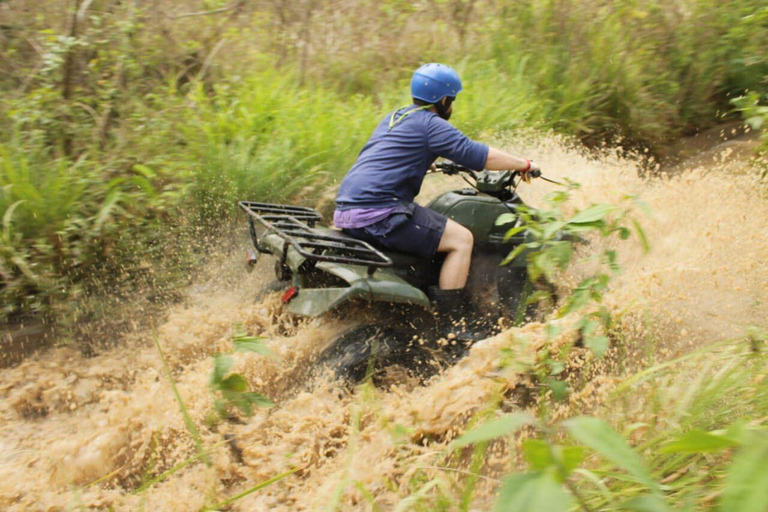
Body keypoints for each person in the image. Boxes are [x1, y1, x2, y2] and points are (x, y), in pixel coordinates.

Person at [334, 63, 539, 337]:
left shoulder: (395, 117)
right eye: (451, 100)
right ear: (444, 100)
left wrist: (430, 164)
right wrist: (524, 164)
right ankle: (452, 328)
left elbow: (390, 155)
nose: (451, 106)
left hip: (348, 210)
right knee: (462, 240)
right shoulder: (432, 125)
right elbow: (480, 155)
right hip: (380, 213)